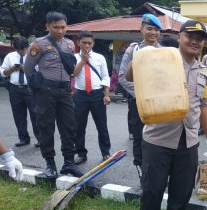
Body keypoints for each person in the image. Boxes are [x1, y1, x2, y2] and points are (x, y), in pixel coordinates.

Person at [127, 19, 207, 210]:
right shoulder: (159, 58)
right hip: (158, 138)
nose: (195, 41)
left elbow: (205, 105)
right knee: (152, 191)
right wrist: (142, 55)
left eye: (200, 38)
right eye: (190, 36)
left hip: (189, 141)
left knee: (181, 193)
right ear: (179, 36)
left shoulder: (204, 70)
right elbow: (129, 76)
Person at [24, 12, 82, 178]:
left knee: (69, 127)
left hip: (65, 91)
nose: (60, 31)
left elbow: (71, 67)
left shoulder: (70, 44)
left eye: (63, 27)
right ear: (47, 26)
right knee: (46, 127)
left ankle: (69, 163)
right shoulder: (38, 44)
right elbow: (28, 69)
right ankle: (50, 164)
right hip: (46, 91)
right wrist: (37, 88)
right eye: (56, 27)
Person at [119, 13, 162, 183]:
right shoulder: (133, 50)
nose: (153, 33)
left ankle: (156, 169)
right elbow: (123, 77)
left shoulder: (164, 52)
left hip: (159, 103)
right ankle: (141, 169)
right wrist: (142, 95)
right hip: (138, 102)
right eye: (149, 28)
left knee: (159, 136)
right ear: (141, 29)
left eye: (156, 30)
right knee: (140, 136)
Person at [72, 31, 111, 164]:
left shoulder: (100, 57)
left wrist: (106, 94)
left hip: (97, 95)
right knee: (79, 126)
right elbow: (74, 74)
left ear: (93, 43)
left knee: (101, 125)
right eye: (84, 43)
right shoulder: (74, 57)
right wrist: (83, 61)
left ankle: (106, 152)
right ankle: (81, 154)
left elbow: (105, 76)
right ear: (78, 43)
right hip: (80, 95)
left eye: (89, 43)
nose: (87, 45)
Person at [0, 37, 39, 147]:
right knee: (19, 115)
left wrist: (26, 68)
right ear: (15, 48)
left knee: (35, 114)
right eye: (19, 50)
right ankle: (23, 138)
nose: (22, 52)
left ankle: (40, 139)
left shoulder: (34, 55)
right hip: (15, 89)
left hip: (31, 89)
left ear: (28, 47)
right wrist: (12, 69)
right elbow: (3, 72)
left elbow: (41, 71)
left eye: (24, 49)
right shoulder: (10, 56)